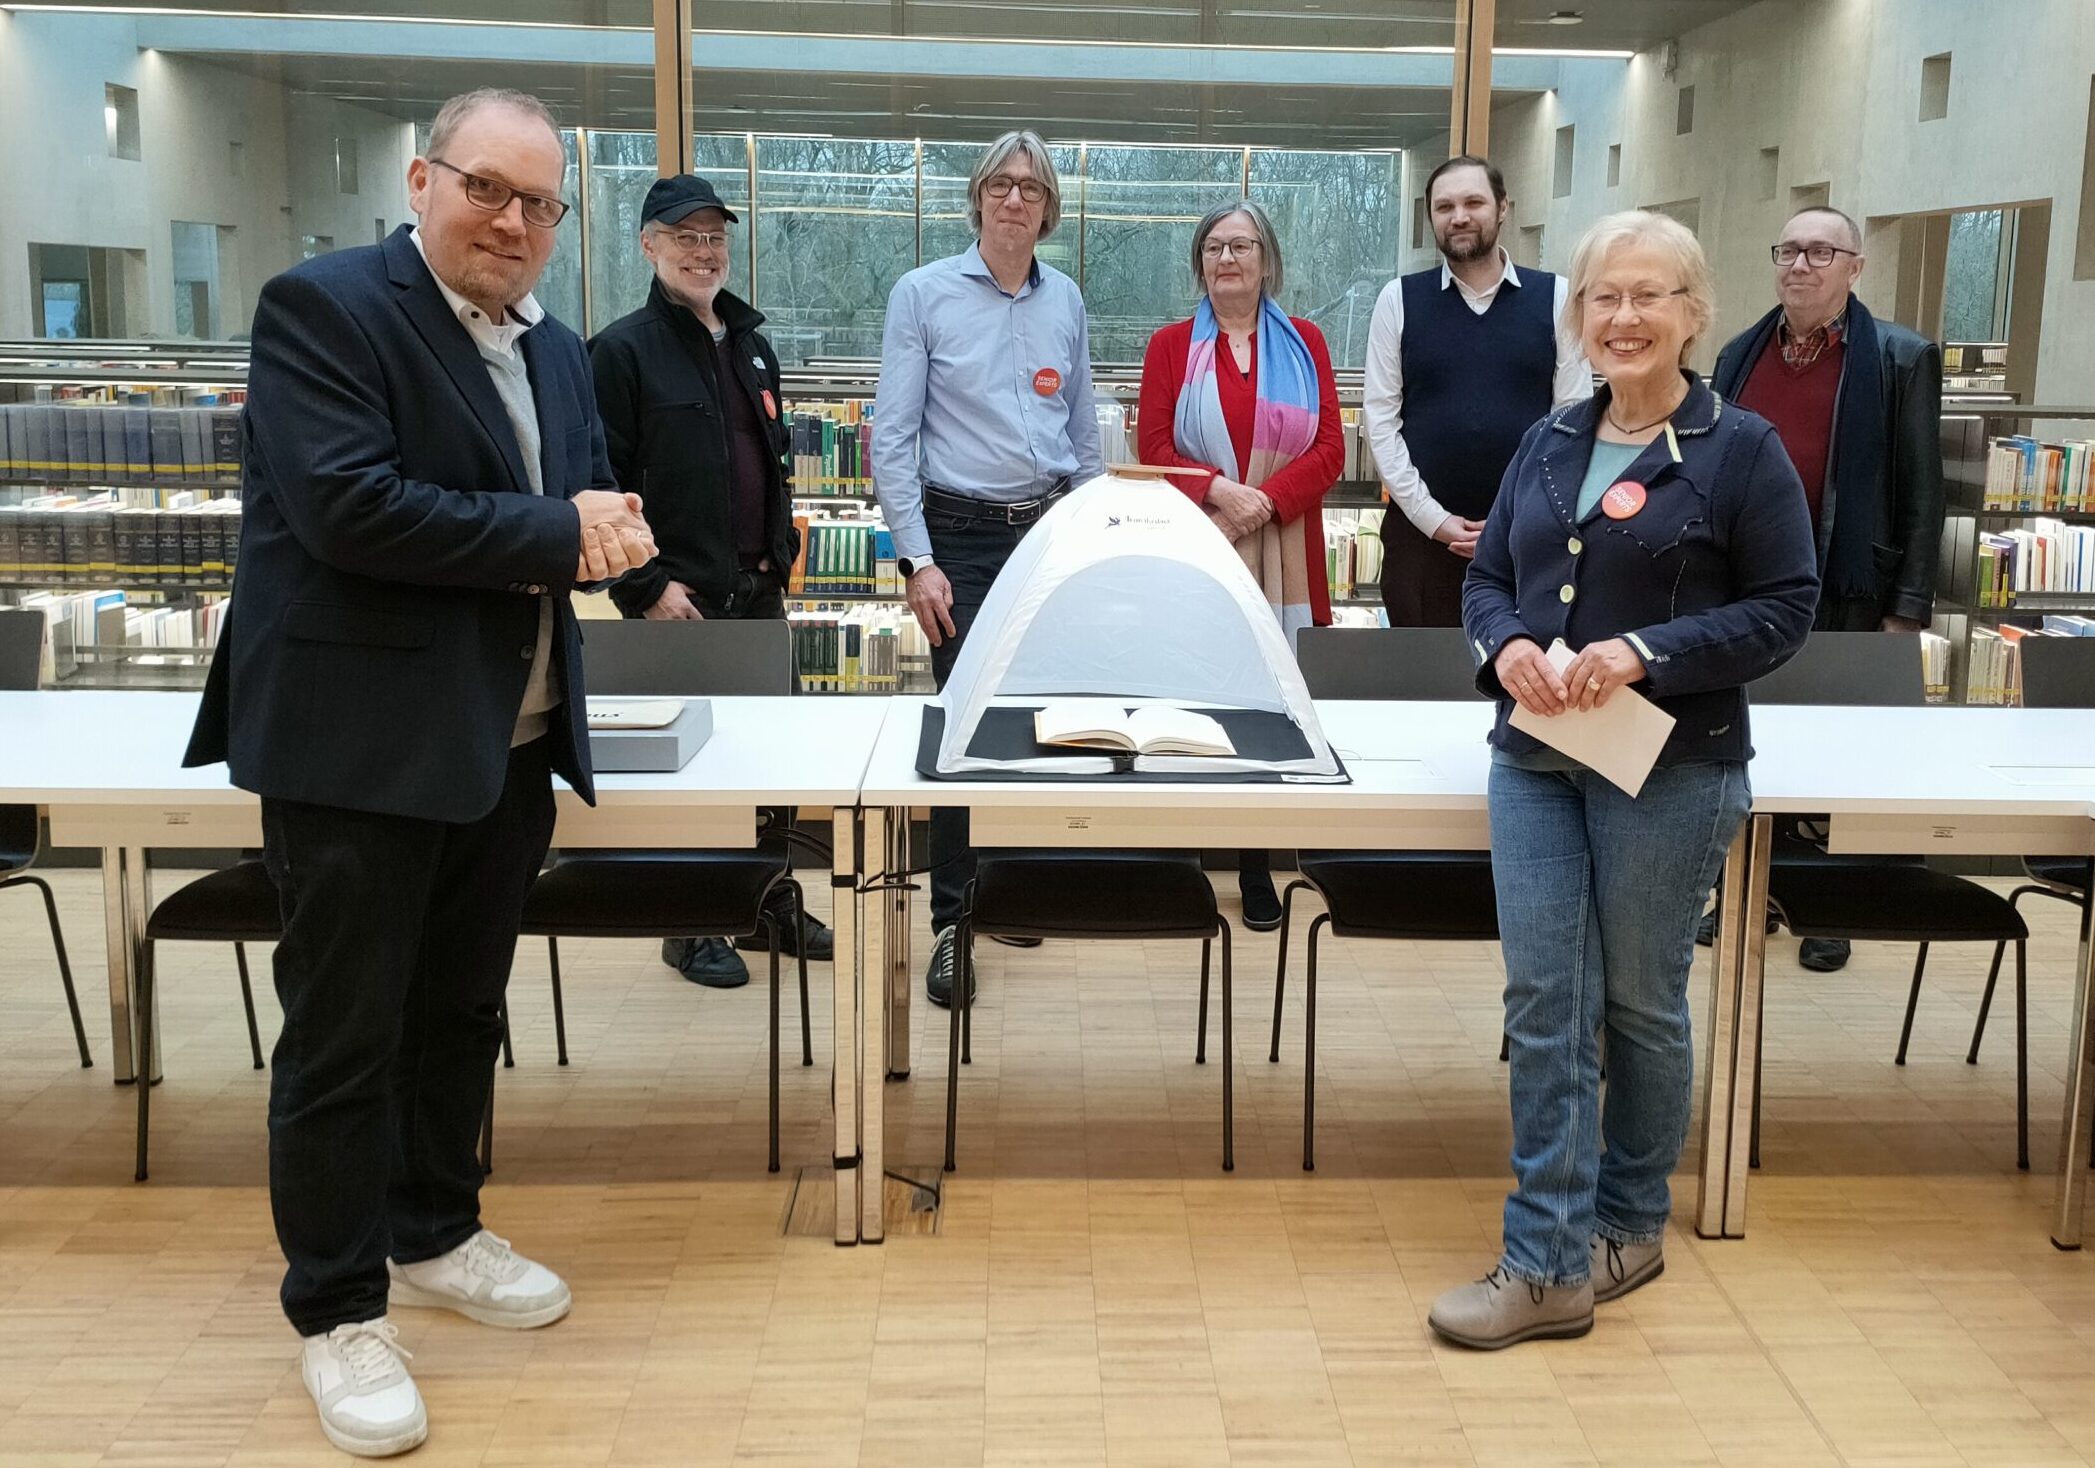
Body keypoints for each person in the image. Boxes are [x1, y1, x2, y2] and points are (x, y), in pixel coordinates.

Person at [183, 88, 657, 1456]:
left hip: (507, 738)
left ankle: (435, 1229)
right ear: (421, 180)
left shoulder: (551, 347)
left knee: (459, 1010)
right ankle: (337, 1310)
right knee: (346, 1036)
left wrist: (609, 527)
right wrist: (558, 531)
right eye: (486, 188)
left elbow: (570, 494)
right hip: (358, 746)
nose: (512, 222)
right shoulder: (326, 310)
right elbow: (351, 508)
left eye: (539, 204)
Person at [1436, 210, 1818, 1350]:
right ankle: (1546, 1261)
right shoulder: (1549, 438)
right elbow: (1488, 579)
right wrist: (1503, 643)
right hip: (1535, 759)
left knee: (1639, 1004)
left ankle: (1630, 1220)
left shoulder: (1740, 449)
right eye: (1603, 296)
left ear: (1692, 314)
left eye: (1649, 295)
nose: (1623, 316)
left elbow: (1785, 608)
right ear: (1578, 316)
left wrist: (1646, 651)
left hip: (1672, 766)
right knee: (1544, 1001)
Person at [871, 128, 1103, 1006]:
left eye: (1030, 188)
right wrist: (917, 560)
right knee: (963, 726)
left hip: (1046, 535)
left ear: (1048, 210)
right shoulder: (921, 294)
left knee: (1039, 719)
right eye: (1000, 184)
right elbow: (892, 437)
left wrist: (1089, 538)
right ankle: (950, 921)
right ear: (977, 197)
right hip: (958, 539)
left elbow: (1082, 433)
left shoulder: (1065, 299)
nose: (1014, 198)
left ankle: (1007, 887)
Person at [589, 172, 832, 989]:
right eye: (685, 237)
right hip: (677, 600)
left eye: (714, 237)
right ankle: (689, 924)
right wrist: (643, 586)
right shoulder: (620, 351)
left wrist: (779, 555)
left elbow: (769, 461)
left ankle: (766, 904)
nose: (703, 251)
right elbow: (597, 483)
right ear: (648, 246)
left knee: (771, 762)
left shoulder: (751, 344)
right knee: (690, 769)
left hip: (756, 591)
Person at [1710, 205, 1946, 972]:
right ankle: (1743, 891)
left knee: (1830, 750)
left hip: (1847, 588)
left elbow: (1923, 491)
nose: (1800, 265)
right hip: (1744, 589)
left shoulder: (1900, 358)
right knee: (1746, 741)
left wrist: (1906, 608)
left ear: (1854, 267)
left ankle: (1824, 905)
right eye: (1788, 250)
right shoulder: (1738, 355)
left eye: (1820, 252)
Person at [1135, 199, 1343, 930]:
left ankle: (1256, 866)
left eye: (1241, 246)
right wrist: (1221, 492)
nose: (1227, 258)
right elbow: (1152, 449)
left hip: (1285, 548)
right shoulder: (1169, 346)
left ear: (1266, 260)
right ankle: (1185, 863)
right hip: (1199, 541)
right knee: (1192, 696)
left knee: (1269, 704)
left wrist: (1262, 504)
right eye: (1214, 247)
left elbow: (1330, 450)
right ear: (1199, 264)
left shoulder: (1307, 342)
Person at [1362, 155, 1591, 627]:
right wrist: (1435, 521)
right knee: (1421, 670)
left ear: (1503, 207)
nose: (1459, 216)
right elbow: (1381, 422)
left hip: (1529, 541)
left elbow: (1573, 420)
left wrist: (1517, 518)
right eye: (1444, 207)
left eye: (1473, 203)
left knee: (1522, 668)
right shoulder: (1397, 300)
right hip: (1419, 543)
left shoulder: (1557, 297)